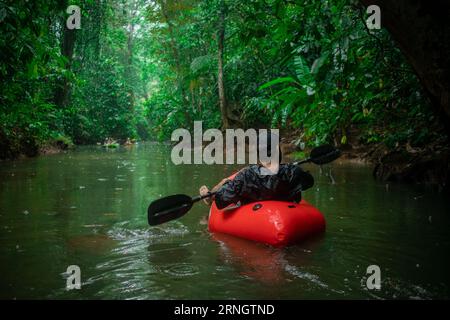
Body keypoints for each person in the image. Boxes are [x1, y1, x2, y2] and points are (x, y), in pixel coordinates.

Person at [199, 132, 314, 209]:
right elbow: (309, 182)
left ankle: (208, 197)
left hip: (258, 215)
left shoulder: (246, 176)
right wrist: (287, 167)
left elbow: (222, 200)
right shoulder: (294, 172)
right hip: (285, 209)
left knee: (226, 182)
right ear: (278, 152)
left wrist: (212, 195)